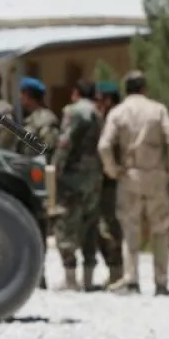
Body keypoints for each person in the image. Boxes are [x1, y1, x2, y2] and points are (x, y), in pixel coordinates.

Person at [97, 69, 169, 295]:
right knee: (161, 229)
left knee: (130, 228)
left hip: (129, 174)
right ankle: (161, 282)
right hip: (155, 174)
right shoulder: (158, 110)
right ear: (145, 88)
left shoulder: (118, 112)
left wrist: (113, 170)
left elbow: (104, 145)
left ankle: (132, 279)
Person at [52, 79, 104, 290]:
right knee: (90, 225)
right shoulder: (98, 114)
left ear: (75, 93)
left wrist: (55, 168)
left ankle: (70, 279)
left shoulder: (73, 111)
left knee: (66, 224)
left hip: (73, 177)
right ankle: (89, 279)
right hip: (94, 177)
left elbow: (66, 142)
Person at [20, 77, 60, 288]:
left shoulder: (46, 120)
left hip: (40, 177)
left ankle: (39, 276)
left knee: (40, 225)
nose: (21, 99)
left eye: (23, 94)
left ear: (29, 95)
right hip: (28, 176)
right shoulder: (31, 119)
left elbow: (48, 149)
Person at [93, 81, 125, 286]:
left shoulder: (116, 121)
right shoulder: (103, 120)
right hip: (102, 181)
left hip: (114, 182)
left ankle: (118, 270)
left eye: (99, 99)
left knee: (112, 226)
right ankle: (114, 269)